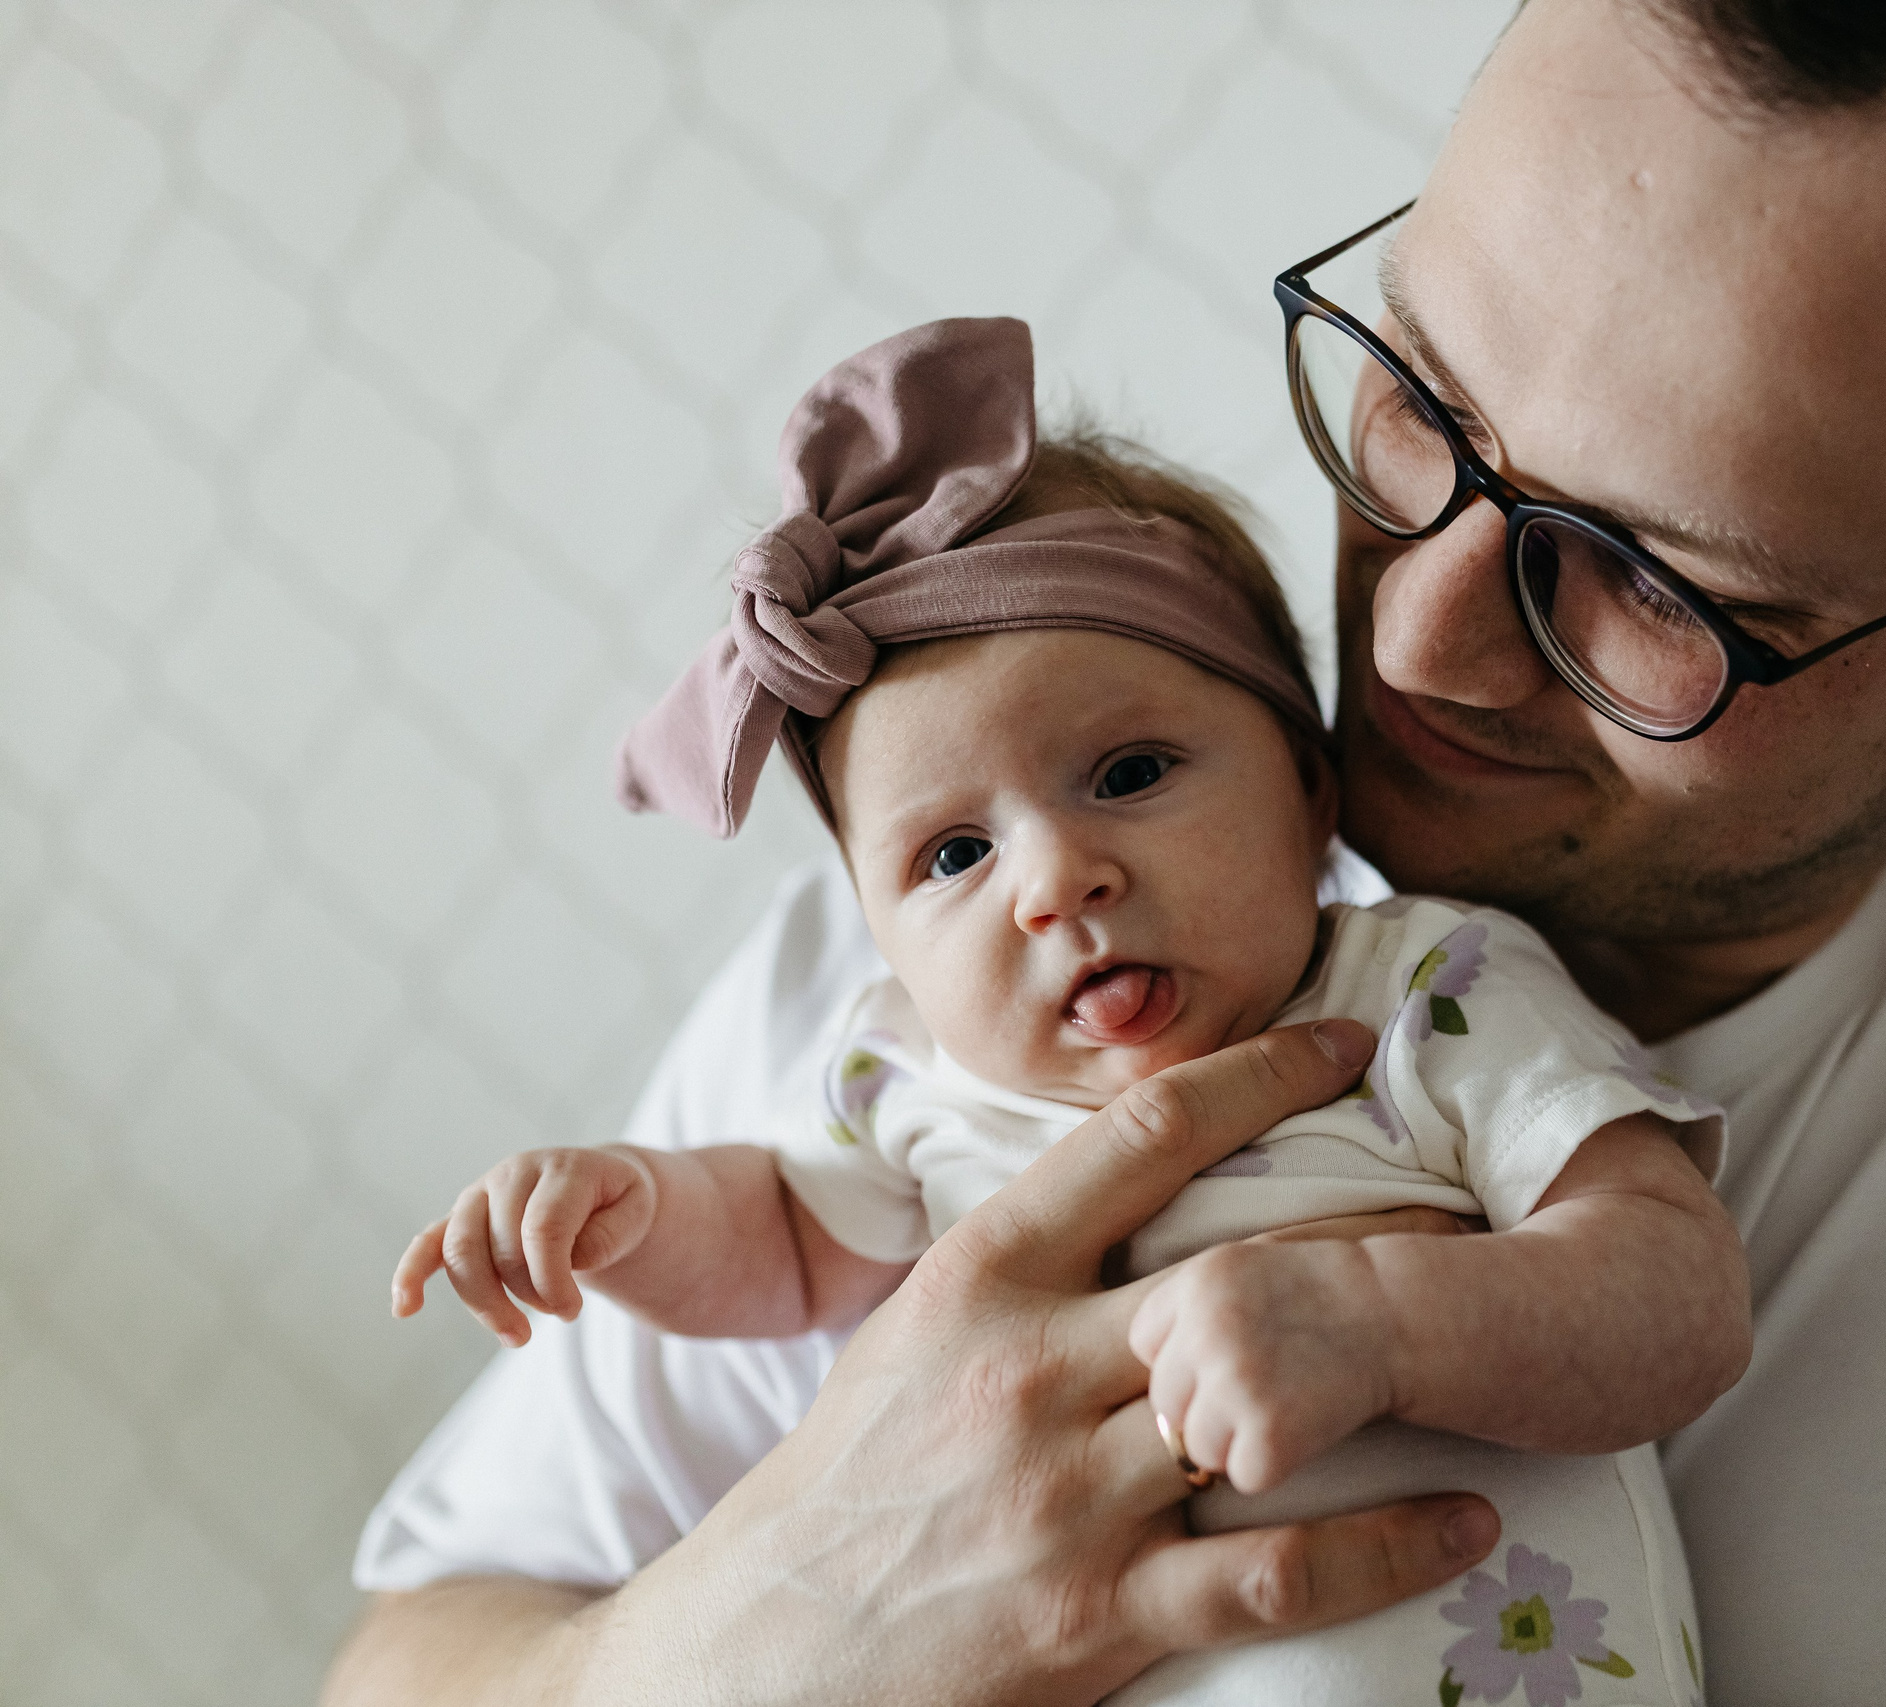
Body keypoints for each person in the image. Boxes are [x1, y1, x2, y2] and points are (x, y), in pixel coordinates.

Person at [328, 1, 1886, 1702]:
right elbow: (414, 1660)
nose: (1409, 636)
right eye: (1416, 404)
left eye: (1657, 583)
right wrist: (786, 1629)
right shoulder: (943, 993)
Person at [387, 317, 1746, 1704]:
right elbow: (785, 1250)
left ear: (1309, 791)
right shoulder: (906, 1076)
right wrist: (627, 1213)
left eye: (1130, 773)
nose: (1053, 882)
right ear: (879, 936)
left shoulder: (1426, 993)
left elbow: (1680, 1293)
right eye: (953, 856)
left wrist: (1381, 1321)